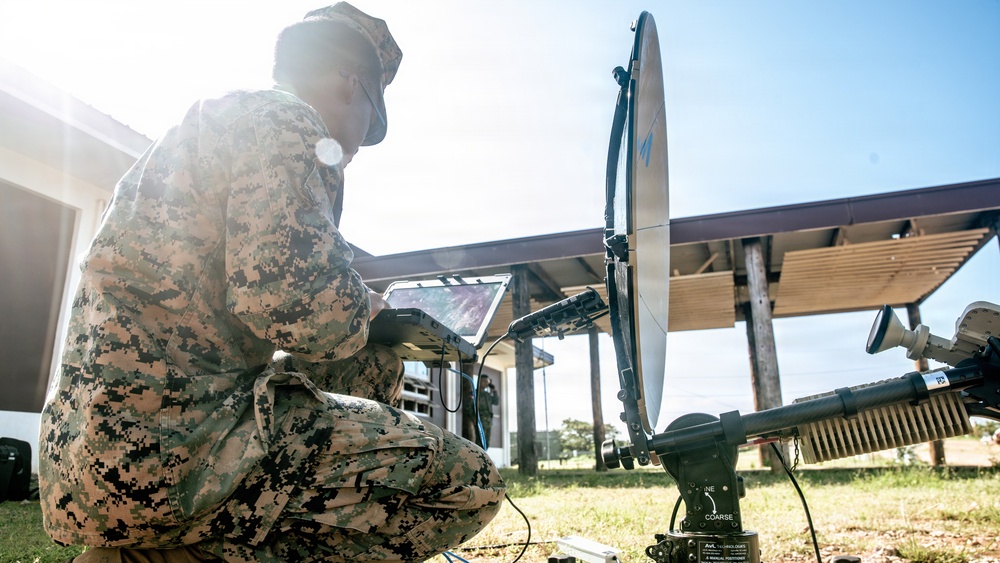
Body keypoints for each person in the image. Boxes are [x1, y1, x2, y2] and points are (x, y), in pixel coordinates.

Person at [38, 4, 505, 562]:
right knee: (469, 484)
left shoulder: (212, 126)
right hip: (171, 456)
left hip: (91, 461)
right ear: (351, 83)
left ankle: (174, 544)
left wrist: (358, 325)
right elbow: (285, 302)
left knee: (365, 364)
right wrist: (368, 309)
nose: (361, 144)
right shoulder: (291, 122)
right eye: (371, 120)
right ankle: (169, 557)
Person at [465, 374, 500, 448]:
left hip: (488, 420)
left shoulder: (487, 395)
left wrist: (495, 391)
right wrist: (474, 419)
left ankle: (484, 456)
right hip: (479, 420)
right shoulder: (474, 393)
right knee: (480, 440)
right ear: (479, 382)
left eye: (487, 382)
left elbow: (496, 402)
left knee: (486, 441)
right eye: (484, 381)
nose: (486, 383)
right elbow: (468, 408)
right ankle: (479, 457)